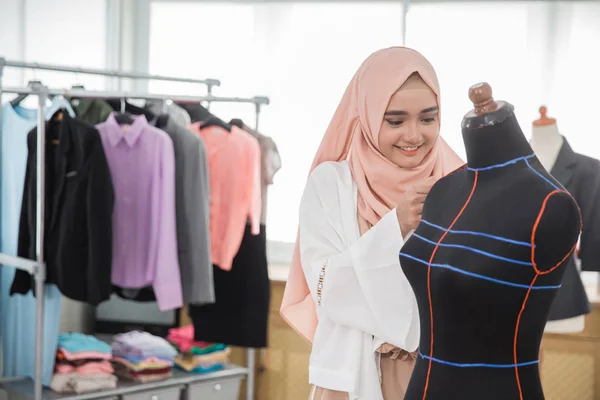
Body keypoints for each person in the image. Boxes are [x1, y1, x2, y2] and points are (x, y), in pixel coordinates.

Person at [280, 47, 465, 399]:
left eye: (428, 118)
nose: (414, 136)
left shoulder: (458, 183)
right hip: (353, 377)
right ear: (365, 115)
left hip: (440, 376)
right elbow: (325, 289)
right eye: (394, 121)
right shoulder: (331, 185)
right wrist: (396, 225)